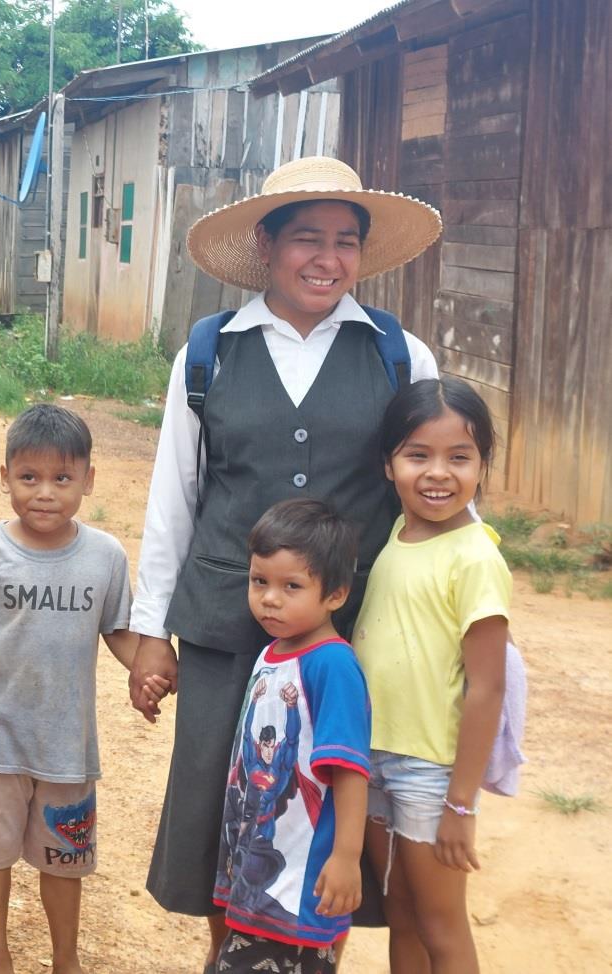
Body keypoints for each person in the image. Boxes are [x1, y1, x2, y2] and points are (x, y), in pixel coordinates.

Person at [127, 155, 443, 970]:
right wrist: (150, 631)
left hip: (346, 637)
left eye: (344, 241)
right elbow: (175, 496)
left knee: (327, 807)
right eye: (307, 238)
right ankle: (231, 957)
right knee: (221, 811)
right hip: (225, 627)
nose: (326, 259)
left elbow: (435, 485)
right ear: (265, 244)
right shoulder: (210, 352)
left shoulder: (396, 356)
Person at [0, 403, 136, 974]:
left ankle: (64, 959)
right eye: (29, 477)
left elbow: (118, 631)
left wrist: (147, 668)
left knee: (63, 861)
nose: (45, 493)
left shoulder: (106, 556)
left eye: (62, 478)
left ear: (89, 481)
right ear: (5, 478)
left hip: (67, 745)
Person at [354, 378, 509, 974]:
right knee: (402, 917)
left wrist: (461, 805)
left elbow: (487, 687)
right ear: (388, 464)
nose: (437, 473)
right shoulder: (398, 531)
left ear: (482, 465)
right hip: (373, 760)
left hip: (430, 774)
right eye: (418, 455)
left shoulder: (476, 558)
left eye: (459, 457)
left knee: (442, 926)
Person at [211, 498, 370, 974]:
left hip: (301, 878)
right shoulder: (271, 654)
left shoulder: (333, 665)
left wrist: (346, 857)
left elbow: (349, 771)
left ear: (336, 595)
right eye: (260, 581)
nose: (270, 598)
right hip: (260, 869)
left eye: (291, 586)